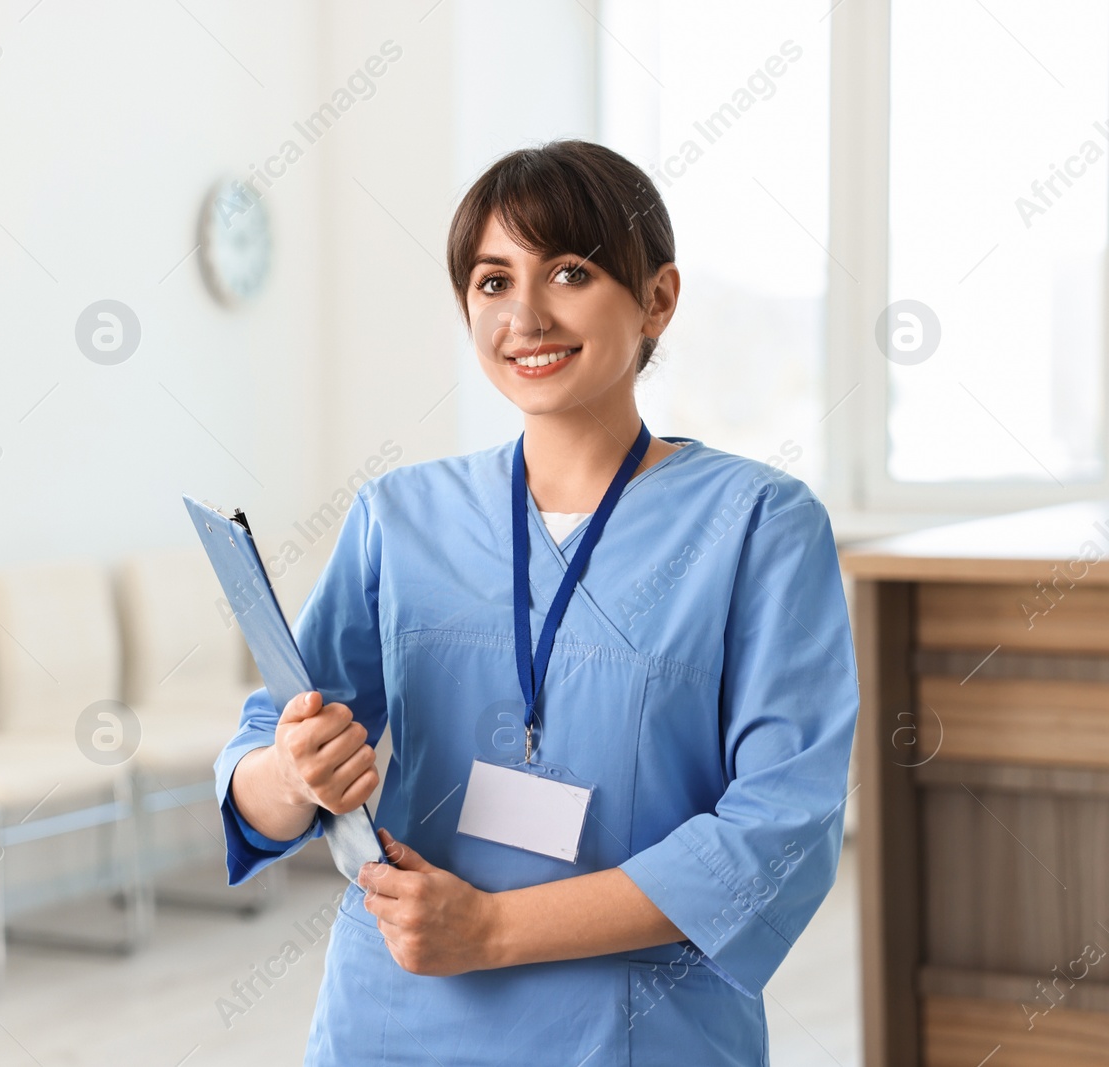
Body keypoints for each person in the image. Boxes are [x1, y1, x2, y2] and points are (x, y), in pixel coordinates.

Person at [213, 139, 858, 1065]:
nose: (524, 315)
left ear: (658, 299)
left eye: (569, 271)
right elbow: (262, 775)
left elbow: (778, 830)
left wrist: (493, 929)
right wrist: (292, 773)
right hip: (396, 1013)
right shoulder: (399, 517)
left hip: (634, 1028)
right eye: (490, 281)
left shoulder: (759, 524)